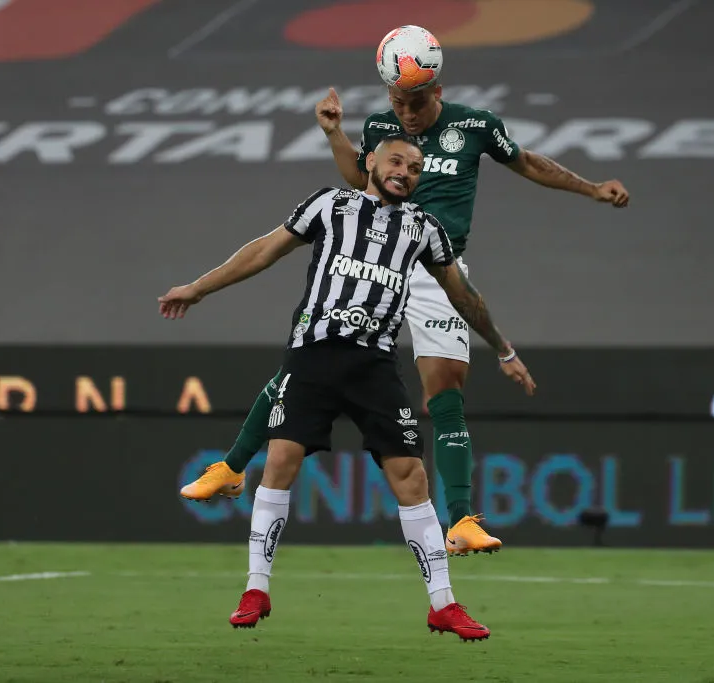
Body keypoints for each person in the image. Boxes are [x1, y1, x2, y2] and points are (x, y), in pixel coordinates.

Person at [181, 78, 628, 557]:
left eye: (415, 103)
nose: (406, 113)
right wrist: (335, 135)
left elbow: (527, 162)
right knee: (311, 363)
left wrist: (591, 189)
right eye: (397, 102)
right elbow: (360, 179)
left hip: (439, 267)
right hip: (377, 259)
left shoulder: (475, 126)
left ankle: (460, 521)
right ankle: (231, 467)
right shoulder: (380, 128)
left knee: (445, 389)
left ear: (437, 90)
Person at [159, 133, 535, 640]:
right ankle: (255, 589)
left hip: (374, 367)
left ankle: (444, 605)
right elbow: (264, 251)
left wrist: (504, 349)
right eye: (397, 161)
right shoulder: (330, 204)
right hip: (313, 355)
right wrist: (198, 288)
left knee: (412, 478)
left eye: (417, 167)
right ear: (371, 163)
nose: (406, 171)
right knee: (280, 462)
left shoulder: (424, 229)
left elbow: (465, 298)